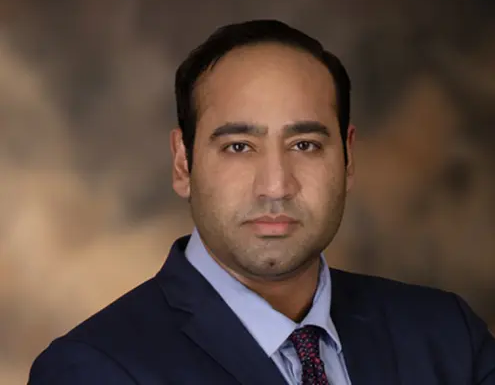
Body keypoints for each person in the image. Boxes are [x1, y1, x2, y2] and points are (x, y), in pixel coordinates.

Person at [28, 19, 495, 385]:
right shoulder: (93, 369)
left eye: (305, 145)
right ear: (183, 164)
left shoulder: (448, 337)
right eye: (238, 147)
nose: (275, 186)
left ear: (348, 157)